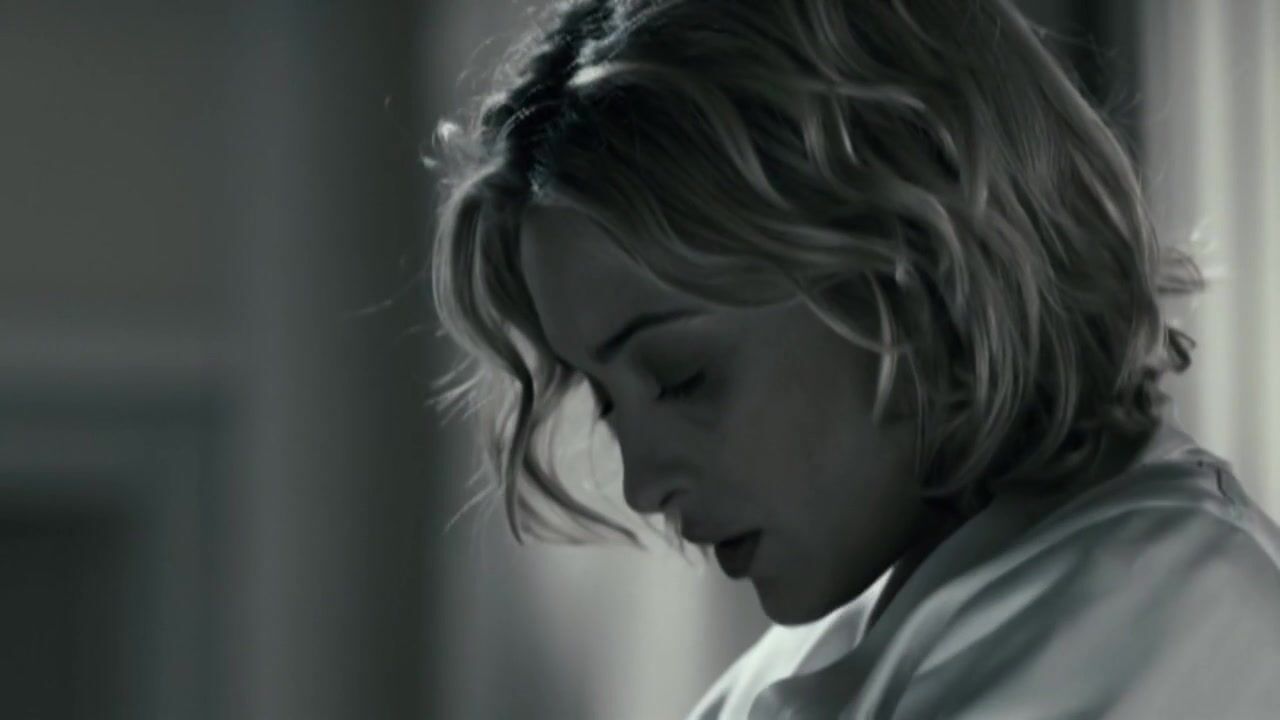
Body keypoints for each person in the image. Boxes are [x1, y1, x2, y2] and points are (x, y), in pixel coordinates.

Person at [427, 0, 1280, 716]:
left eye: (682, 377)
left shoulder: (1164, 607)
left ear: (912, 270)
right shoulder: (794, 666)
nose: (642, 485)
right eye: (606, 400)